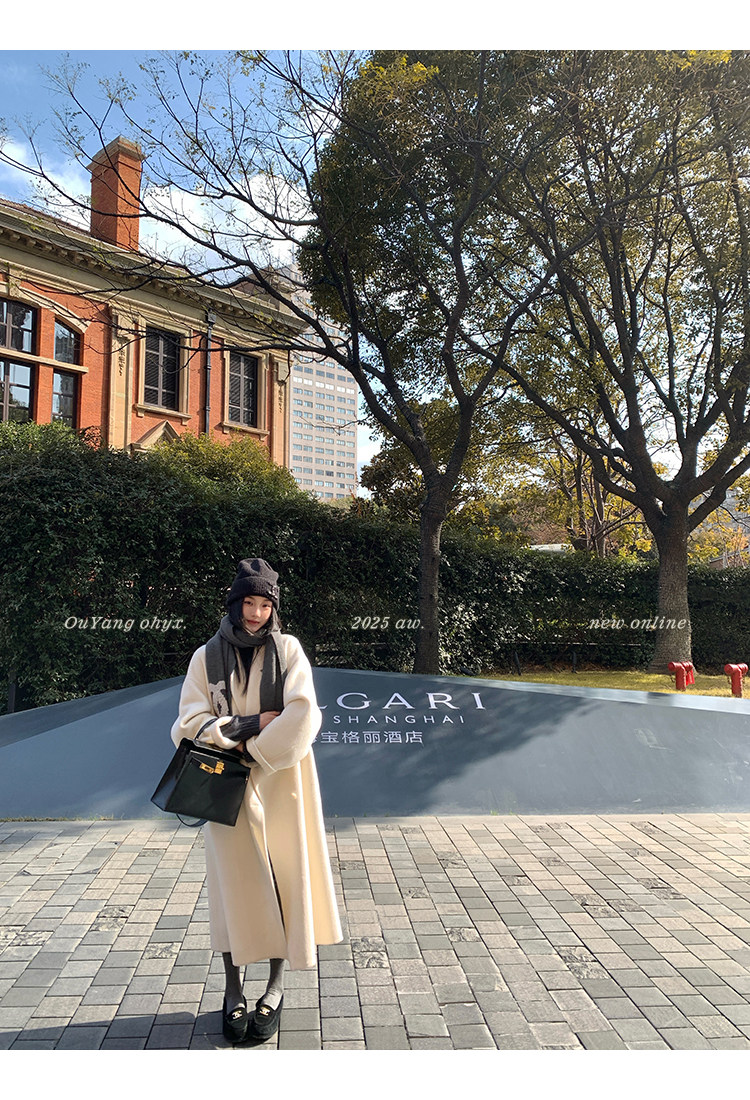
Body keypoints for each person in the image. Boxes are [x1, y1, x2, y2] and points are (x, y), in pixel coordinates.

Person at [170, 557, 343, 1044]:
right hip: (227, 783)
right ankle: (233, 989)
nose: (255, 613)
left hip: (282, 779)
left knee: (283, 877)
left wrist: (254, 747)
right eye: (248, 602)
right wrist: (249, 726)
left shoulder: (288, 649)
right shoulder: (206, 656)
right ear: (234, 603)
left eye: (265, 605)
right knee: (233, 886)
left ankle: (274, 987)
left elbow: (303, 714)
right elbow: (187, 723)